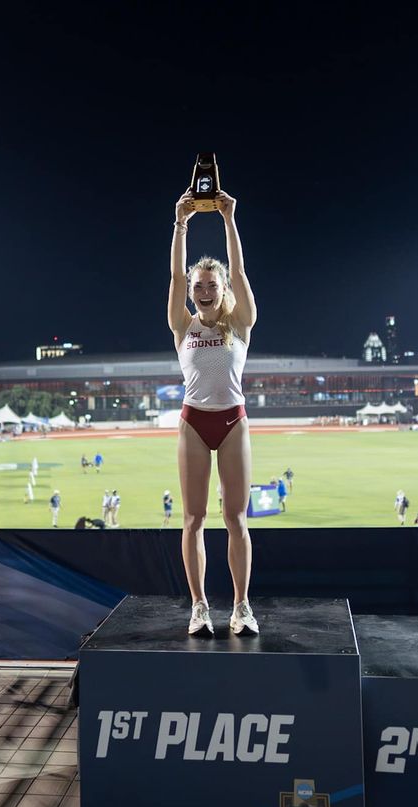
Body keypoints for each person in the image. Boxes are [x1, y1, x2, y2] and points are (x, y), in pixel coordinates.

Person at [168, 187, 258, 636]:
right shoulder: (182, 324)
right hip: (193, 424)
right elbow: (174, 278)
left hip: (233, 421)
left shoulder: (240, 323)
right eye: (197, 286)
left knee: (236, 519)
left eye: (211, 285)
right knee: (193, 519)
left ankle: (241, 607)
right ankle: (200, 606)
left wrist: (228, 218)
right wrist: (180, 220)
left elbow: (239, 268)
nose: (202, 292)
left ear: (223, 290)